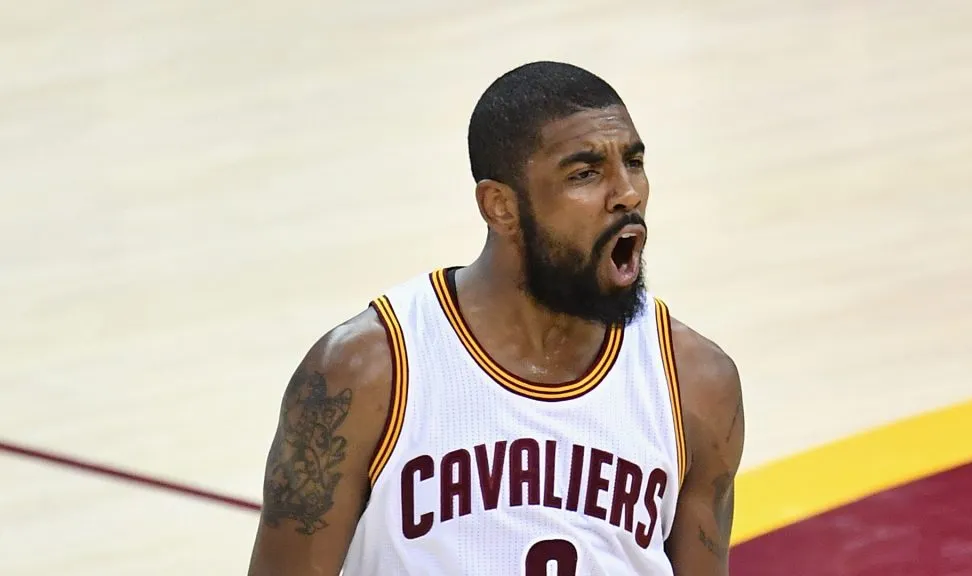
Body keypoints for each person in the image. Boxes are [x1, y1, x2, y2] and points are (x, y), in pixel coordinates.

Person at [246, 60, 745, 576]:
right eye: (585, 173)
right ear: (501, 206)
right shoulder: (367, 372)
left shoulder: (696, 384)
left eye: (634, 163)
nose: (627, 194)